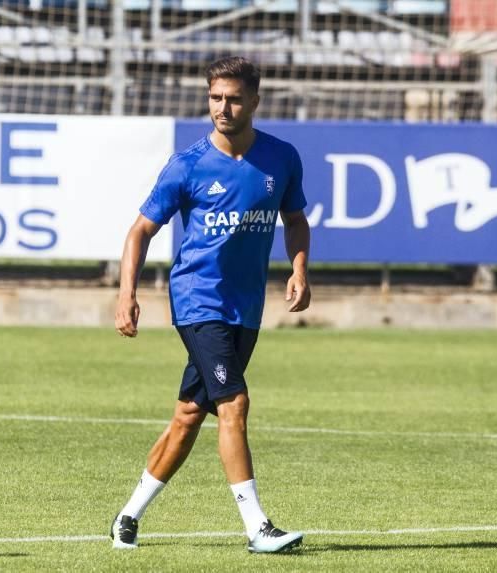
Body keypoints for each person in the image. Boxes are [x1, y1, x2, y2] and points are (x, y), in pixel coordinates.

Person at [111, 56, 311, 554]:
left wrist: (300, 269)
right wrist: (126, 294)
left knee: (187, 417)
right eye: (216, 97)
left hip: (245, 306)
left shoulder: (281, 158)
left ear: (254, 102)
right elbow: (140, 231)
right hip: (198, 300)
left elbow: (296, 219)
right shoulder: (189, 165)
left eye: (234, 98)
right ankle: (257, 528)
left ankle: (127, 517)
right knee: (234, 404)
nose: (223, 107)